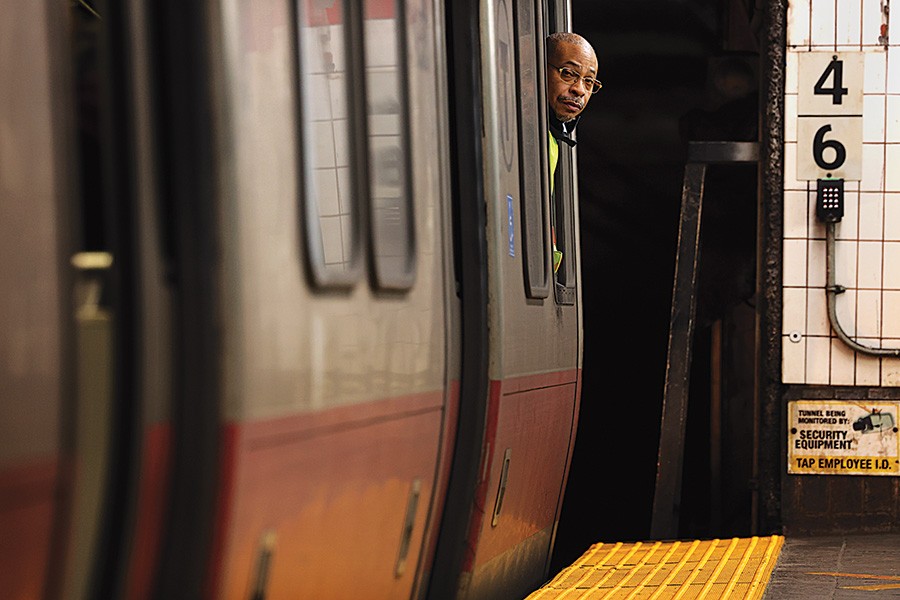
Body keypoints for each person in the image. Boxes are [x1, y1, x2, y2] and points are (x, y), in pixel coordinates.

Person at [546, 32, 599, 272]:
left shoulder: (553, 141)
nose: (579, 90)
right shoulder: (525, 134)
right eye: (568, 74)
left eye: (589, 82)